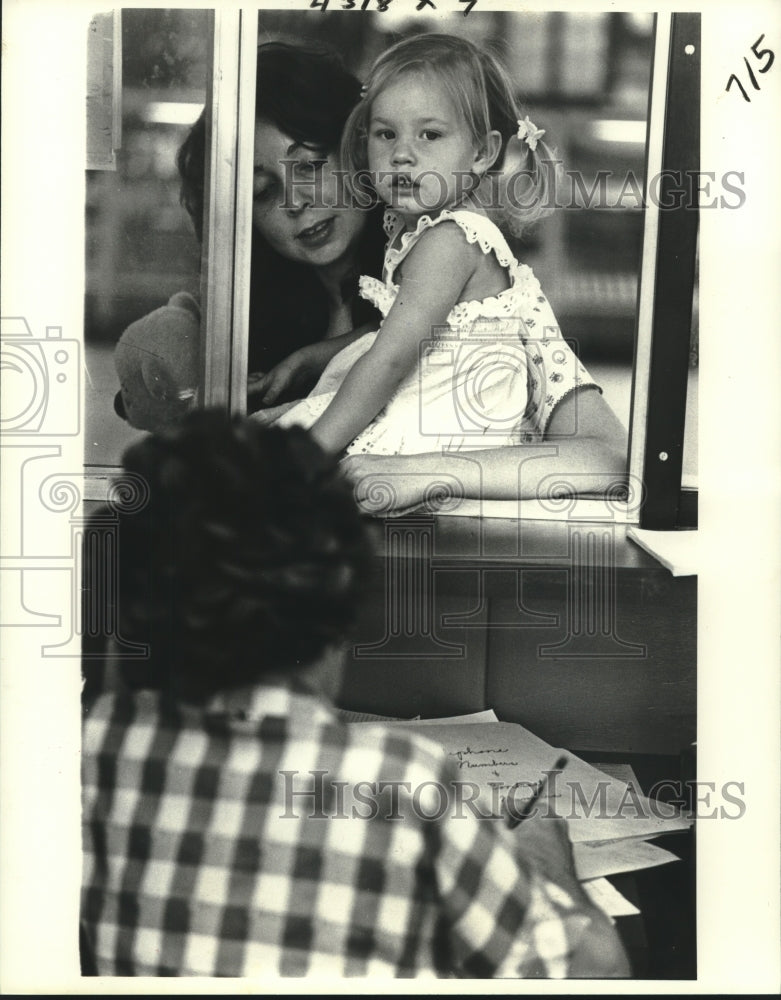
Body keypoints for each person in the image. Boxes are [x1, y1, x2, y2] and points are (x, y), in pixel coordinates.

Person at [80, 409, 630, 978]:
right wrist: (550, 860)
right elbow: (598, 972)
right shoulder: (401, 783)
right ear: (335, 621)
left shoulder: (95, 749)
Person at [261, 33, 626, 507]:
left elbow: (392, 357)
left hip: (435, 441)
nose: (402, 154)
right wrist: (319, 355)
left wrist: (311, 452)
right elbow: (410, 330)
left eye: (429, 134)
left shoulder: (449, 239)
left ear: (482, 152)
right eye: (385, 134)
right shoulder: (424, 233)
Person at [176, 40, 387, 405]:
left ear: (359, 150)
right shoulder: (246, 323)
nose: (295, 201)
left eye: (309, 166)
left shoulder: (435, 269)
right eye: (263, 191)